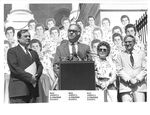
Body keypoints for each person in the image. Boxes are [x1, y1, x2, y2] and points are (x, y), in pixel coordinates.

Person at [7, 29, 43, 103]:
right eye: (25, 36)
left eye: (29, 36)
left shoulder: (33, 53)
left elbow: (40, 66)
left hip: (32, 91)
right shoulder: (12, 51)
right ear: (18, 38)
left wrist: (36, 76)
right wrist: (30, 77)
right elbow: (15, 68)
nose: (28, 38)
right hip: (19, 91)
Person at [116, 35, 147, 102]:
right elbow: (119, 70)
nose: (127, 44)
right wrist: (129, 80)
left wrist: (137, 79)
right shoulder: (120, 55)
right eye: (126, 42)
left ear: (134, 42)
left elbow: (145, 68)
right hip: (126, 87)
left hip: (139, 87)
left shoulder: (141, 53)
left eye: (129, 42)